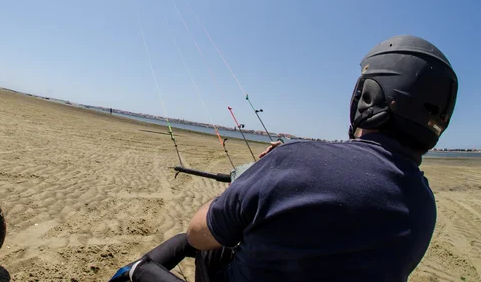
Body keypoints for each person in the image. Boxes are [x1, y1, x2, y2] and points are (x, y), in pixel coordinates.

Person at [110, 35, 458, 282]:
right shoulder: (425, 206)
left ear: (366, 98)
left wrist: (255, 176)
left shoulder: (294, 158)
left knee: (197, 239)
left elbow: (199, 234)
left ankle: (134, 271)